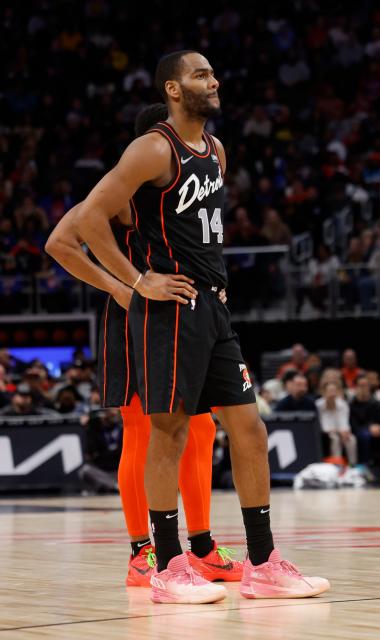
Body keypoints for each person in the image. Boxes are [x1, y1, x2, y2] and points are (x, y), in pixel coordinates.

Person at [74, 50, 327, 603]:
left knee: (249, 429)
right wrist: (138, 281)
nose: (212, 82)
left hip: (212, 307)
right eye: (199, 75)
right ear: (172, 88)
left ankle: (262, 562)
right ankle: (167, 566)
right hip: (167, 310)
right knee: (167, 433)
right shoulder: (153, 147)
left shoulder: (215, 150)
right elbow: (89, 219)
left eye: (213, 73)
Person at [45, 102, 242, 588]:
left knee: (200, 430)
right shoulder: (126, 185)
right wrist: (121, 285)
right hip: (136, 316)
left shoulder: (198, 173)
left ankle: (200, 546)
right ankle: (142, 551)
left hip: (185, 314)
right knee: (142, 431)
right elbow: (59, 242)